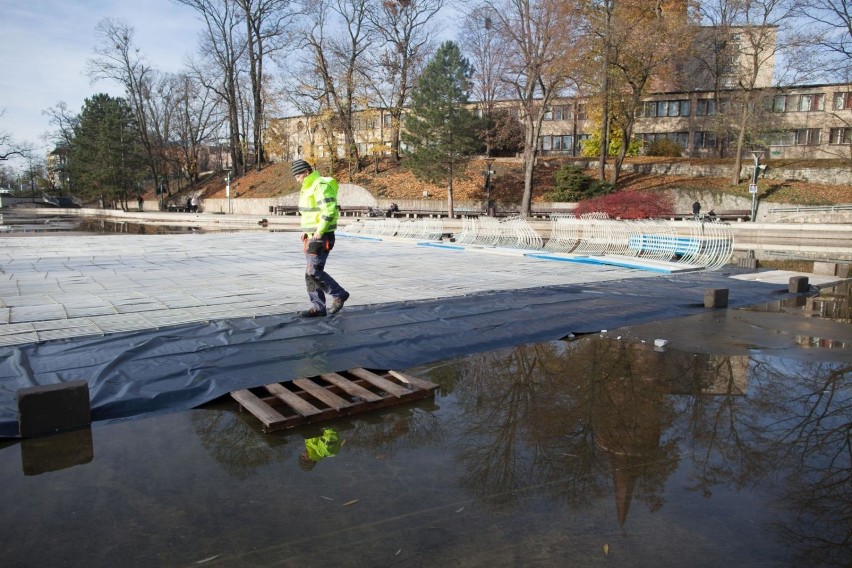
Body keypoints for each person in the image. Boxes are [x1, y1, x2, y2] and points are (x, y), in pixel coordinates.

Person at [293, 159, 349, 317]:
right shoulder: (308, 187)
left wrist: (319, 230)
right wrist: (306, 231)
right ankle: (318, 307)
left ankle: (339, 294)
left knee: (314, 272)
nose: (296, 179)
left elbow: (329, 210)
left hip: (321, 236)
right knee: (309, 274)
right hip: (312, 236)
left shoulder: (319, 185)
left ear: (306, 172)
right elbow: (310, 213)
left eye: (298, 175)